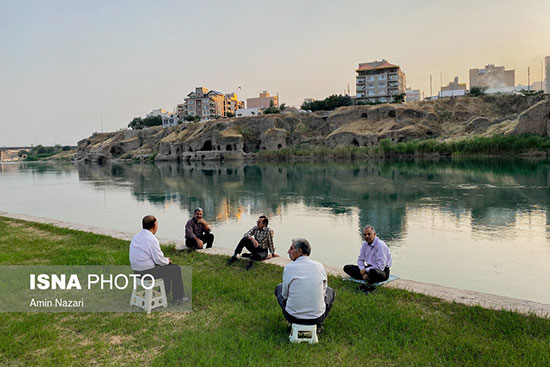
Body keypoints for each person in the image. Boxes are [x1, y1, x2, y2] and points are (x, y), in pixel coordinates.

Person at [274, 238, 335, 330]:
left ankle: (293, 323)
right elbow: (324, 291)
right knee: (330, 291)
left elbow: (284, 294)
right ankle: (318, 325)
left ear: (299, 252)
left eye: (291, 248)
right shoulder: (319, 266)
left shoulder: (289, 268)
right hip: (317, 318)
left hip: (292, 317)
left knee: (279, 287)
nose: (288, 251)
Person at [129, 215, 186, 304]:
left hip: (136, 271)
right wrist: (167, 261)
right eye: (157, 224)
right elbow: (159, 260)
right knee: (175, 269)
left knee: (165, 268)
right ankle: (178, 298)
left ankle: (163, 293)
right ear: (154, 225)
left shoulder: (136, 236)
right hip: (146, 272)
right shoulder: (151, 239)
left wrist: (164, 261)